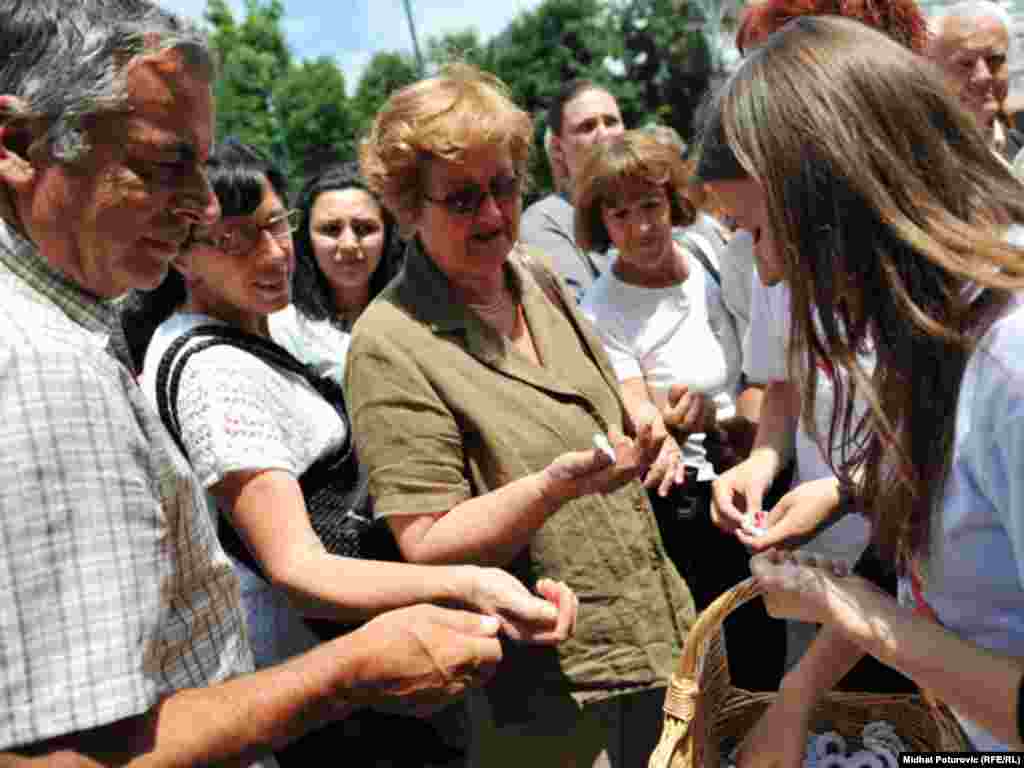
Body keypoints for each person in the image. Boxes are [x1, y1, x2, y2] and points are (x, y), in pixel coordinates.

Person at [0, 1, 513, 763]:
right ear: (19, 144)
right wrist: (349, 671)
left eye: (273, 225)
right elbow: (70, 754)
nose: (200, 202)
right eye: (162, 161)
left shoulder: (76, 330)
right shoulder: (44, 368)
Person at [131, 138, 577, 765]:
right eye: (233, 241)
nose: (273, 253)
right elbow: (299, 569)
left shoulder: (246, 338)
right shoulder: (213, 372)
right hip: (332, 705)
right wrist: (472, 582)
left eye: (274, 225)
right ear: (180, 254)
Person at [697, 15, 1024, 762]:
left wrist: (853, 610)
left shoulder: (1010, 361)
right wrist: (857, 491)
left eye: (761, 230)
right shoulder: (943, 337)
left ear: (836, 197)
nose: (769, 269)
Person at [350, 63, 695, 767]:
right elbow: (427, 540)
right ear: (410, 208)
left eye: (503, 187)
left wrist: (644, 422)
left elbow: (595, 398)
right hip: (551, 700)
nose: (492, 216)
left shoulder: (532, 274)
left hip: (657, 635)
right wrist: (553, 487)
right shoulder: (389, 343)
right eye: (462, 199)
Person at [703, 0, 929, 677]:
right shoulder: (789, 245)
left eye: (777, 67)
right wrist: (768, 465)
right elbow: (783, 384)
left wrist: (846, 491)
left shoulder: (986, 338)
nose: (767, 272)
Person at [575, 130, 785, 691]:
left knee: (777, 641)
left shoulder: (708, 251)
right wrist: (667, 425)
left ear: (673, 201)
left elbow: (759, 359)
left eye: (651, 204)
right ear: (601, 224)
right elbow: (636, 403)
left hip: (762, 462)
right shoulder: (601, 309)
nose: (642, 226)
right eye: (620, 214)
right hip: (690, 503)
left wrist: (741, 420)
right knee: (730, 657)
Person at [269, 161, 405, 384]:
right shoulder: (283, 329)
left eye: (364, 228)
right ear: (305, 238)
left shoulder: (418, 315)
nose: (349, 244)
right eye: (331, 229)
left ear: (388, 235)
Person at [520, 79, 625, 302]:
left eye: (611, 122)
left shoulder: (652, 200)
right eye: (587, 127)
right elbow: (583, 320)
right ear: (558, 149)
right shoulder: (543, 224)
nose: (604, 134)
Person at [926, 0, 1022, 161]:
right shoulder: (913, 157)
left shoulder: (1017, 146)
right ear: (929, 70)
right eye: (966, 64)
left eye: (995, 60)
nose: (984, 76)